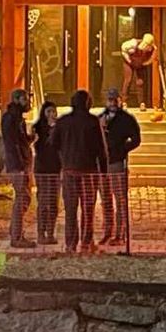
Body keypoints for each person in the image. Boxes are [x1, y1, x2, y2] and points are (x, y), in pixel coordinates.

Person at [55, 89, 108, 253]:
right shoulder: (93, 121)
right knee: (88, 208)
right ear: (88, 103)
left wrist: (62, 161)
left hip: (69, 170)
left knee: (70, 209)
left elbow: (53, 143)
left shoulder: (63, 121)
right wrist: (104, 170)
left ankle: (70, 244)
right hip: (88, 170)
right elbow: (101, 148)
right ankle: (86, 241)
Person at [98, 86, 140, 246]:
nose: (112, 102)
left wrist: (122, 149)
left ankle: (120, 234)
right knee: (105, 199)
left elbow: (136, 139)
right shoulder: (100, 117)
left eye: (115, 99)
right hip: (103, 164)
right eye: (110, 99)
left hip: (117, 163)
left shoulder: (126, 119)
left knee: (120, 199)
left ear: (120, 100)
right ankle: (107, 231)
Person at [0, 86, 35, 247]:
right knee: (23, 198)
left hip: (21, 163)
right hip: (18, 165)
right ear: (17, 100)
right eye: (25, 99)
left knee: (24, 197)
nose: (27, 102)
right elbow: (12, 143)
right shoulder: (11, 118)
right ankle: (17, 236)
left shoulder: (17, 118)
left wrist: (30, 138)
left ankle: (16, 232)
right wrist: (20, 164)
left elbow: (19, 141)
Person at [32, 99, 62, 245]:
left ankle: (50, 232)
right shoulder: (38, 128)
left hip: (56, 168)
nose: (52, 114)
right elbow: (38, 146)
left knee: (54, 202)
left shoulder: (60, 128)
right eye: (49, 111)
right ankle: (41, 233)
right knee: (43, 201)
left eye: (53, 111)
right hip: (42, 168)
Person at [120, 32, 157, 108]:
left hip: (140, 64)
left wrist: (146, 63)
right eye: (147, 45)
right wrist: (129, 60)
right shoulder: (133, 44)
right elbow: (123, 49)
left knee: (140, 82)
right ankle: (124, 102)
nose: (148, 48)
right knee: (128, 80)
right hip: (129, 62)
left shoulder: (152, 48)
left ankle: (141, 102)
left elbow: (153, 57)